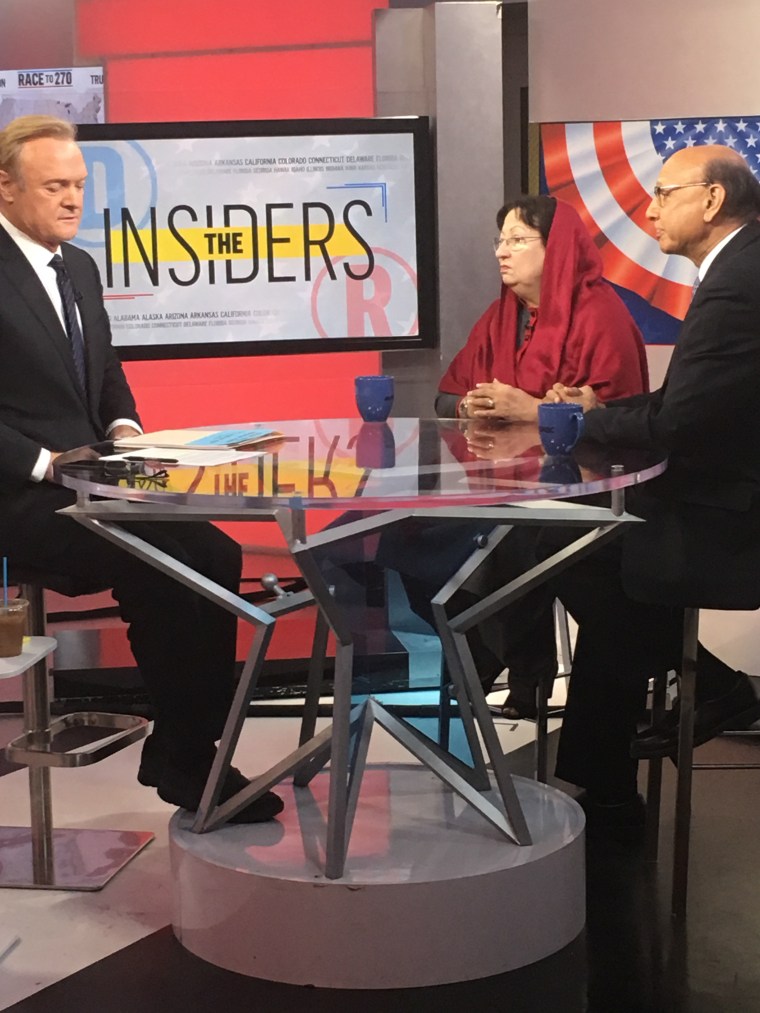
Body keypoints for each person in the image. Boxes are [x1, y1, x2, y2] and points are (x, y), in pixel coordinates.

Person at [0, 114, 283, 822]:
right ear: (5, 188)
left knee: (216, 551)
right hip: (20, 493)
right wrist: (43, 462)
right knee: (158, 560)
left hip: (99, 477)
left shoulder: (80, 266)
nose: (73, 199)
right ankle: (192, 762)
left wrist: (126, 428)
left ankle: (185, 745)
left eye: (79, 185)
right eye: (55, 185)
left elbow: (105, 370)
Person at [546, 144, 760, 838]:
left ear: (713, 200)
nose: (649, 207)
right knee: (594, 563)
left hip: (729, 511)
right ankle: (602, 786)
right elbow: (683, 405)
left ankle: (710, 693)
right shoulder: (739, 268)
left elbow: (678, 419)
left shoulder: (738, 280)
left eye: (664, 193)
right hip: (716, 488)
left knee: (565, 543)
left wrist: (584, 422)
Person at [381, 196, 649, 718]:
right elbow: (445, 395)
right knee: (402, 533)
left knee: (511, 541)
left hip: (584, 491)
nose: (502, 252)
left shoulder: (600, 315)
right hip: (504, 483)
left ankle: (501, 663)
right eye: (500, 241)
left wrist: (530, 411)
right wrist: (470, 404)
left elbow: (621, 421)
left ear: (560, 250)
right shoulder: (501, 315)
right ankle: (490, 654)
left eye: (518, 240)